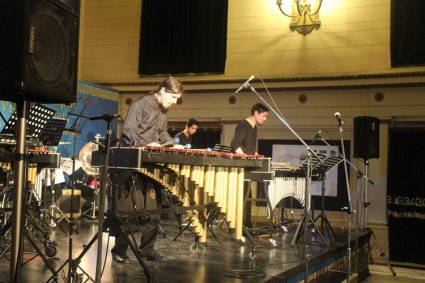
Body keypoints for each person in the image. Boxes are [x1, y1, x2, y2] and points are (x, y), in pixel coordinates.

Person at [110, 76, 184, 263]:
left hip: (150, 162)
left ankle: (147, 249)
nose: (174, 102)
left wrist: (172, 144)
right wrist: (146, 143)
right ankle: (119, 250)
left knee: (154, 207)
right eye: (173, 98)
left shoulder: (163, 111)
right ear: (163, 91)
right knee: (128, 209)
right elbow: (128, 131)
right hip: (131, 162)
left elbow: (162, 133)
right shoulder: (140, 104)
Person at [230, 103, 269, 227]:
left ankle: (246, 225)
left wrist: (258, 156)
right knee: (243, 198)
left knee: (247, 198)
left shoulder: (254, 127)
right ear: (256, 113)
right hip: (240, 168)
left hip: (246, 169)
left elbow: (250, 149)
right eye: (264, 116)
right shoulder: (244, 125)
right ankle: (240, 226)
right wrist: (245, 158)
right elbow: (235, 144)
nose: (265, 119)